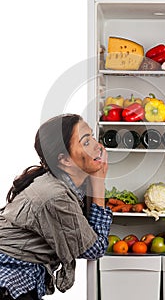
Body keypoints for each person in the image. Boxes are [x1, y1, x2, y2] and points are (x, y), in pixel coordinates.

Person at [0, 114, 112, 299]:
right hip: (10, 274)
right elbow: (94, 249)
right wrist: (99, 183)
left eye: (92, 136)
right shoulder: (56, 196)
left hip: (23, 272)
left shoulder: (71, 183)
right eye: (85, 142)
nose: (97, 146)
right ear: (65, 160)